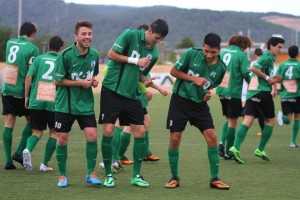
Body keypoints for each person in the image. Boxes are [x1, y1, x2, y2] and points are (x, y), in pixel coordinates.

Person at [99, 18, 169, 188]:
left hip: (131, 95)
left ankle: (136, 176)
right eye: (157, 37)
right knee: (108, 131)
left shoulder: (154, 54)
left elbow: (139, 73)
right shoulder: (130, 35)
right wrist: (135, 60)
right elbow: (111, 54)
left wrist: (145, 80)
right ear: (150, 31)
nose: (158, 42)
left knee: (140, 131)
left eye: (161, 40)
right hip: (112, 90)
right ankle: (108, 174)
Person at [164, 33, 230, 190]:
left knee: (212, 137)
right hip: (180, 101)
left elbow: (210, 87)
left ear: (219, 50)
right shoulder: (191, 53)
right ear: (203, 47)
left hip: (199, 105)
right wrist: (194, 79)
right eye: (206, 51)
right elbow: (173, 72)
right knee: (175, 138)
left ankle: (214, 178)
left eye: (212, 52)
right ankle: (174, 177)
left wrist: (208, 94)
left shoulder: (221, 68)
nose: (208, 55)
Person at [54, 20, 101, 187]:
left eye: (89, 34)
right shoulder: (65, 54)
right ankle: (62, 176)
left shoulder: (94, 54)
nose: (87, 37)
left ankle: (91, 173)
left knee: (92, 136)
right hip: (65, 104)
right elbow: (57, 81)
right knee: (62, 139)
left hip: (85, 105)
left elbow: (91, 75)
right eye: (84, 34)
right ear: (76, 36)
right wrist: (80, 83)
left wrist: (92, 82)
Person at [229, 36, 285, 164]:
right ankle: (260, 149)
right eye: (279, 47)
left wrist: (272, 79)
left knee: (247, 121)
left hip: (252, 93)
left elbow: (259, 73)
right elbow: (253, 68)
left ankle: (235, 147)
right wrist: (268, 78)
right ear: (271, 46)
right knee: (271, 122)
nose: (280, 50)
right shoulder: (266, 57)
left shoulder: (269, 59)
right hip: (262, 94)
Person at [22, 36, 64, 172]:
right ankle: (44, 164)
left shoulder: (38, 59)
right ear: (61, 48)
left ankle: (27, 149)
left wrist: (27, 96)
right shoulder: (61, 60)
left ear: (49, 46)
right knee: (54, 133)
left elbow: (29, 77)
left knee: (36, 132)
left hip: (37, 100)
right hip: (53, 102)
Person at [2, 22, 39, 170]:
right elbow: (31, 72)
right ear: (33, 35)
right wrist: (28, 94)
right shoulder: (33, 49)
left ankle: (7, 162)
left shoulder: (10, 43)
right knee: (32, 121)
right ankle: (18, 153)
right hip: (22, 91)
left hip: (7, 88)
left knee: (8, 123)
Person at [216, 35, 253, 159]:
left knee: (228, 118)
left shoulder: (223, 52)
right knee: (233, 121)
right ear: (243, 45)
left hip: (221, 90)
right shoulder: (241, 55)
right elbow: (246, 74)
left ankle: (221, 142)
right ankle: (229, 152)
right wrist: (252, 84)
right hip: (233, 91)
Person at [118, 78, 168, 165]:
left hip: (138, 98)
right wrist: (148, 90)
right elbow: (136, 79)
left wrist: (158, 88)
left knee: (146, 122)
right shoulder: (136, 65)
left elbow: (143, 80)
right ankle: (119, 156)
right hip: (132, 97)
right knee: (129, 127)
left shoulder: (143, 66)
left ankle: (145, 153)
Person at [276, 45, 300, 148]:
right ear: (298, 53)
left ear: (288, 53)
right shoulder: (299, 65)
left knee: (287, 120)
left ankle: (293, 142)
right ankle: (292, 141)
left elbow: (277, 78)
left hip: (284, 95)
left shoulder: (282, 65)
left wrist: (278, 89)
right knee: (297, 117)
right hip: (297, 95)